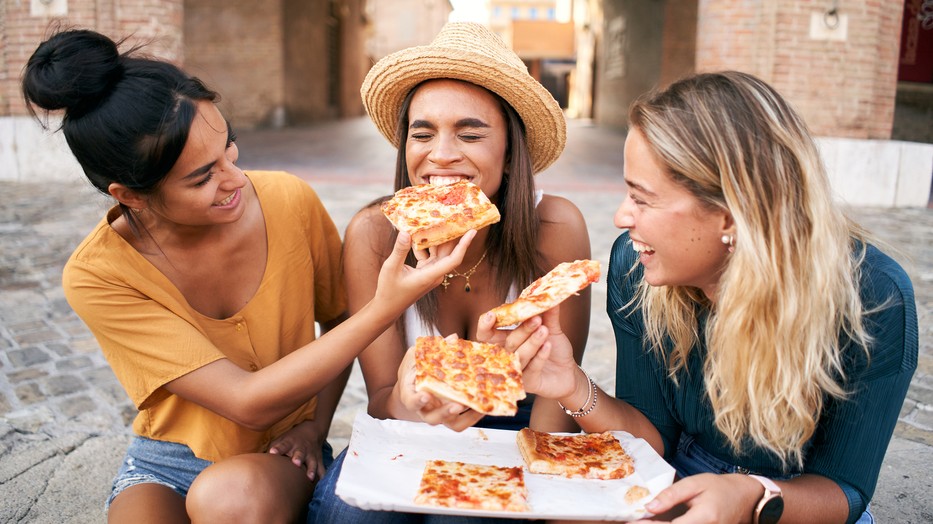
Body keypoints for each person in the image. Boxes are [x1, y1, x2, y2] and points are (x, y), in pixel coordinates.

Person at [22, 29, 473, 523]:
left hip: (280, 451)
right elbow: (244, 401)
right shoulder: (98, 273)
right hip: (165, 460)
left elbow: (340, 318)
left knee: (230, 500)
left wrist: (314, 427)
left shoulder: (288, 200)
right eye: (203, 177)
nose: (235, 178)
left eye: (229, 148)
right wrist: (386, 305)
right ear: (129, 195)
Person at [490, 71, 918, 524]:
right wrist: (572, 386)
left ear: (730, 215)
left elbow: (845, 490)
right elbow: (651, 441)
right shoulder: (635, 268)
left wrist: (750, 497)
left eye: (642, 199)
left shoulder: (874, 297)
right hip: (676, 475)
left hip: (790, 504)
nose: (621, 217)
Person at [309, 22, 591, 522]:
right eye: (422, 134)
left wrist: (527, 489)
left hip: (518, 429)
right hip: (408, 429)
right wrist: (410, 402)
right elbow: (381, 400)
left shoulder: (555, 227)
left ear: (511, 152)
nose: (440, 155)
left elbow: (554, 405)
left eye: (470, 134)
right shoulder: (375, 235)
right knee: (347, 514)